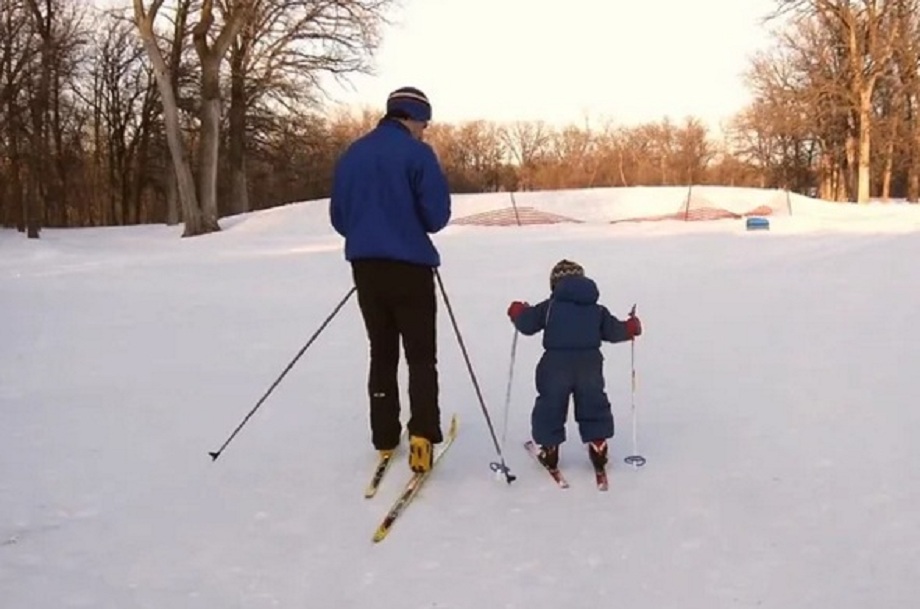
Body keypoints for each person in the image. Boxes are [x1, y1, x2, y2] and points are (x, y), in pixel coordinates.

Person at [329, 86, 452, 474]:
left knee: (381, 351)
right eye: (424, 123)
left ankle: (384, 435)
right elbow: (436, 216)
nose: (425, 131)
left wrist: (369, 234)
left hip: (366, 267)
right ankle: (422, 436)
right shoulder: (417, 154)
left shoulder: (353, 153)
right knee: (420, 355)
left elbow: (340, 218)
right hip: (411, 267)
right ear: (412, 117)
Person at [506, 259, 642, 471]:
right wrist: (631, 327)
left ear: (555, 285)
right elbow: (615, 331)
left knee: (550, 404)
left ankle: (549, 448)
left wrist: (518, 312)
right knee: (593, 401)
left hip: (555, 366)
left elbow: (527, 324)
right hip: (589, 365)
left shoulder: (549, 308)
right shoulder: (597, 310)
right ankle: (598, 444)